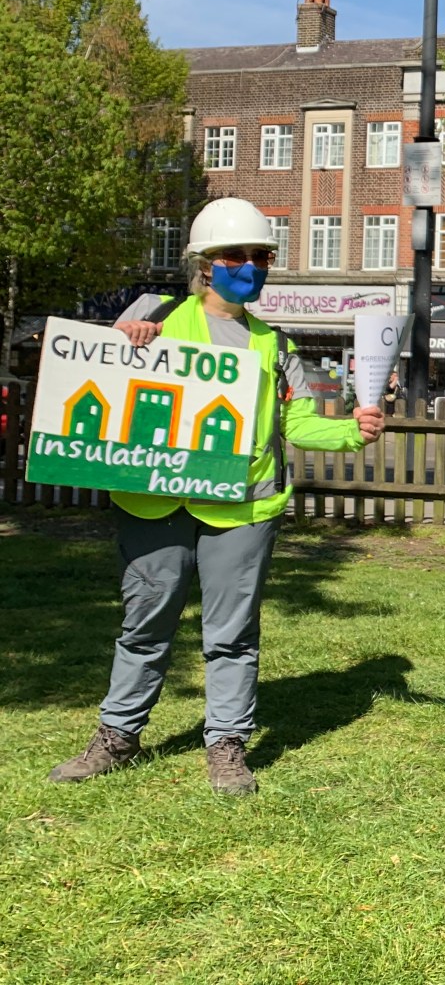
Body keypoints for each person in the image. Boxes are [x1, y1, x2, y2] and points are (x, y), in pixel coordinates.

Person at [47, 197, 385, 796]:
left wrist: (351, 432)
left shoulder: (276, 346)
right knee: (144, 624)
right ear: (206, 264)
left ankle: (226, 746)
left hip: (243, 509)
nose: (250, 265)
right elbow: (106, 377)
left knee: (232, 634)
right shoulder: (152, 317)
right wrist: (128, 339)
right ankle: (117, 737)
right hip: (155, 501)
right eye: (238, 255)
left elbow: (297, 425)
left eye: (262, 256)